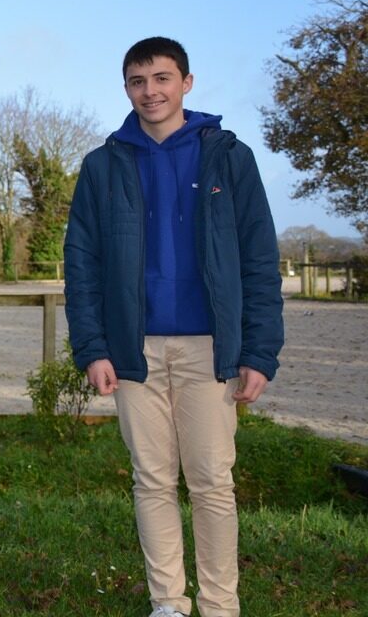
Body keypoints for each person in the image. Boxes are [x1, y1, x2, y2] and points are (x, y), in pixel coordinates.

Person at [65, 37, 284, 617]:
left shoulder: (228, 157)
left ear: (186, 82)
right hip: (132, 350)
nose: (150, 91)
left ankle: (219, 606)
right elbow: (81, 263)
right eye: (137, 81)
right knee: (152, 481)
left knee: (212, 482)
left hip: (210, 348)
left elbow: (260, 258)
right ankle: (169, 603)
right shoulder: (102, 164)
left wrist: (259, 351)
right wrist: (92, 347)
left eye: (161, 78)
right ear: (126, 89)